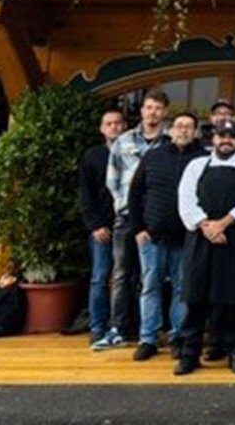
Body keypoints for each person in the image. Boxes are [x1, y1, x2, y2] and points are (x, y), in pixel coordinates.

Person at [173, 121, 235, 376]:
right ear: (213, 139)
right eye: (222, 136)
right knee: (195, 295)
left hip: (234, 235)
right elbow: (186, 198)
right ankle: (189, 353)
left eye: (232, 136)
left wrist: (223, 224)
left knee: (233, 295)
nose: (226, 140)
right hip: (200, 236)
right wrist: (206, 226)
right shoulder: (196, 165)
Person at [130, 111, 205, 362]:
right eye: (179, 126)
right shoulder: (153, 156)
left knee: (182, 289)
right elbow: (135, 193)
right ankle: (148, 339)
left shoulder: (203, 158)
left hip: (187, 237)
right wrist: (137, 227)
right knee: (150, 286)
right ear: (170, 131)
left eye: (189, 127)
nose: (183, 131)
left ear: (195, 132)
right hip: (152, 236)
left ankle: (178, 337)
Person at [107, 91, 168, 344]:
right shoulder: (124, 140)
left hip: (155, 218)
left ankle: (148, 331)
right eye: (149, 107)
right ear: (142, 110)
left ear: (164, 112)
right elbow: (112, 178)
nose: (152, 112)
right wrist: (124, 207)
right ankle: (119, 328)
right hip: (126, 217)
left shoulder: (168, 142)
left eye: (158, 108)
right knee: (122, 274)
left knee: (151, 276)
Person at [81, 107, 125, 349]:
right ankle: (97, 326)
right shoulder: (92, 156)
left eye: (118, 123)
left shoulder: (130, 154)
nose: (114, 127)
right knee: (99, 277)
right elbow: (85, 195)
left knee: (125, 278)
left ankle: (121, 326)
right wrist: (95, 225)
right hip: (101, 227)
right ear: (102, 128)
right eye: (109, 123)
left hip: (125, 224)